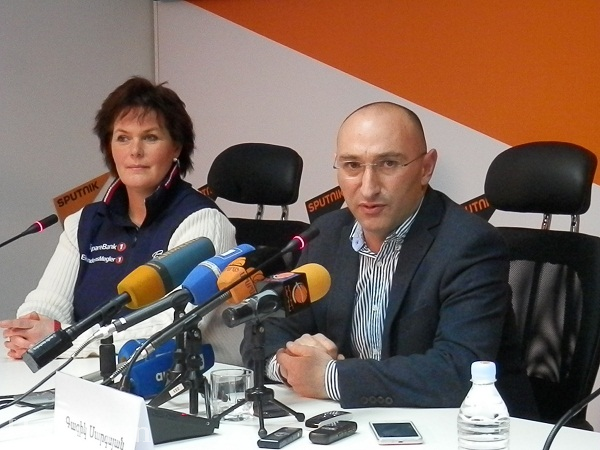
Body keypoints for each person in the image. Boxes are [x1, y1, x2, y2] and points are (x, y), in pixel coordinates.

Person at [241, 101, 538, 419]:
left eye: (388, 164)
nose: (368, 188)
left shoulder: (470, 244)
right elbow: (264, 330)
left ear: (426, 168)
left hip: (472, 429)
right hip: (362, 424)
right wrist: (292, 366)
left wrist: (329, 378)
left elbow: (459, 371)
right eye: (352, 165)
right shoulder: (325, 235)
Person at [1, 76, 242, 364]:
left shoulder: (204, 223)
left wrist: (66, 340)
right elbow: (48, 303)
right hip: (89, 374)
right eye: (123, 138)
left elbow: (175, 324)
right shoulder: (84, 223)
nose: (135, 151)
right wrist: (30, 329)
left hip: (189, 380)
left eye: (150, 137)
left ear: (176, 147)